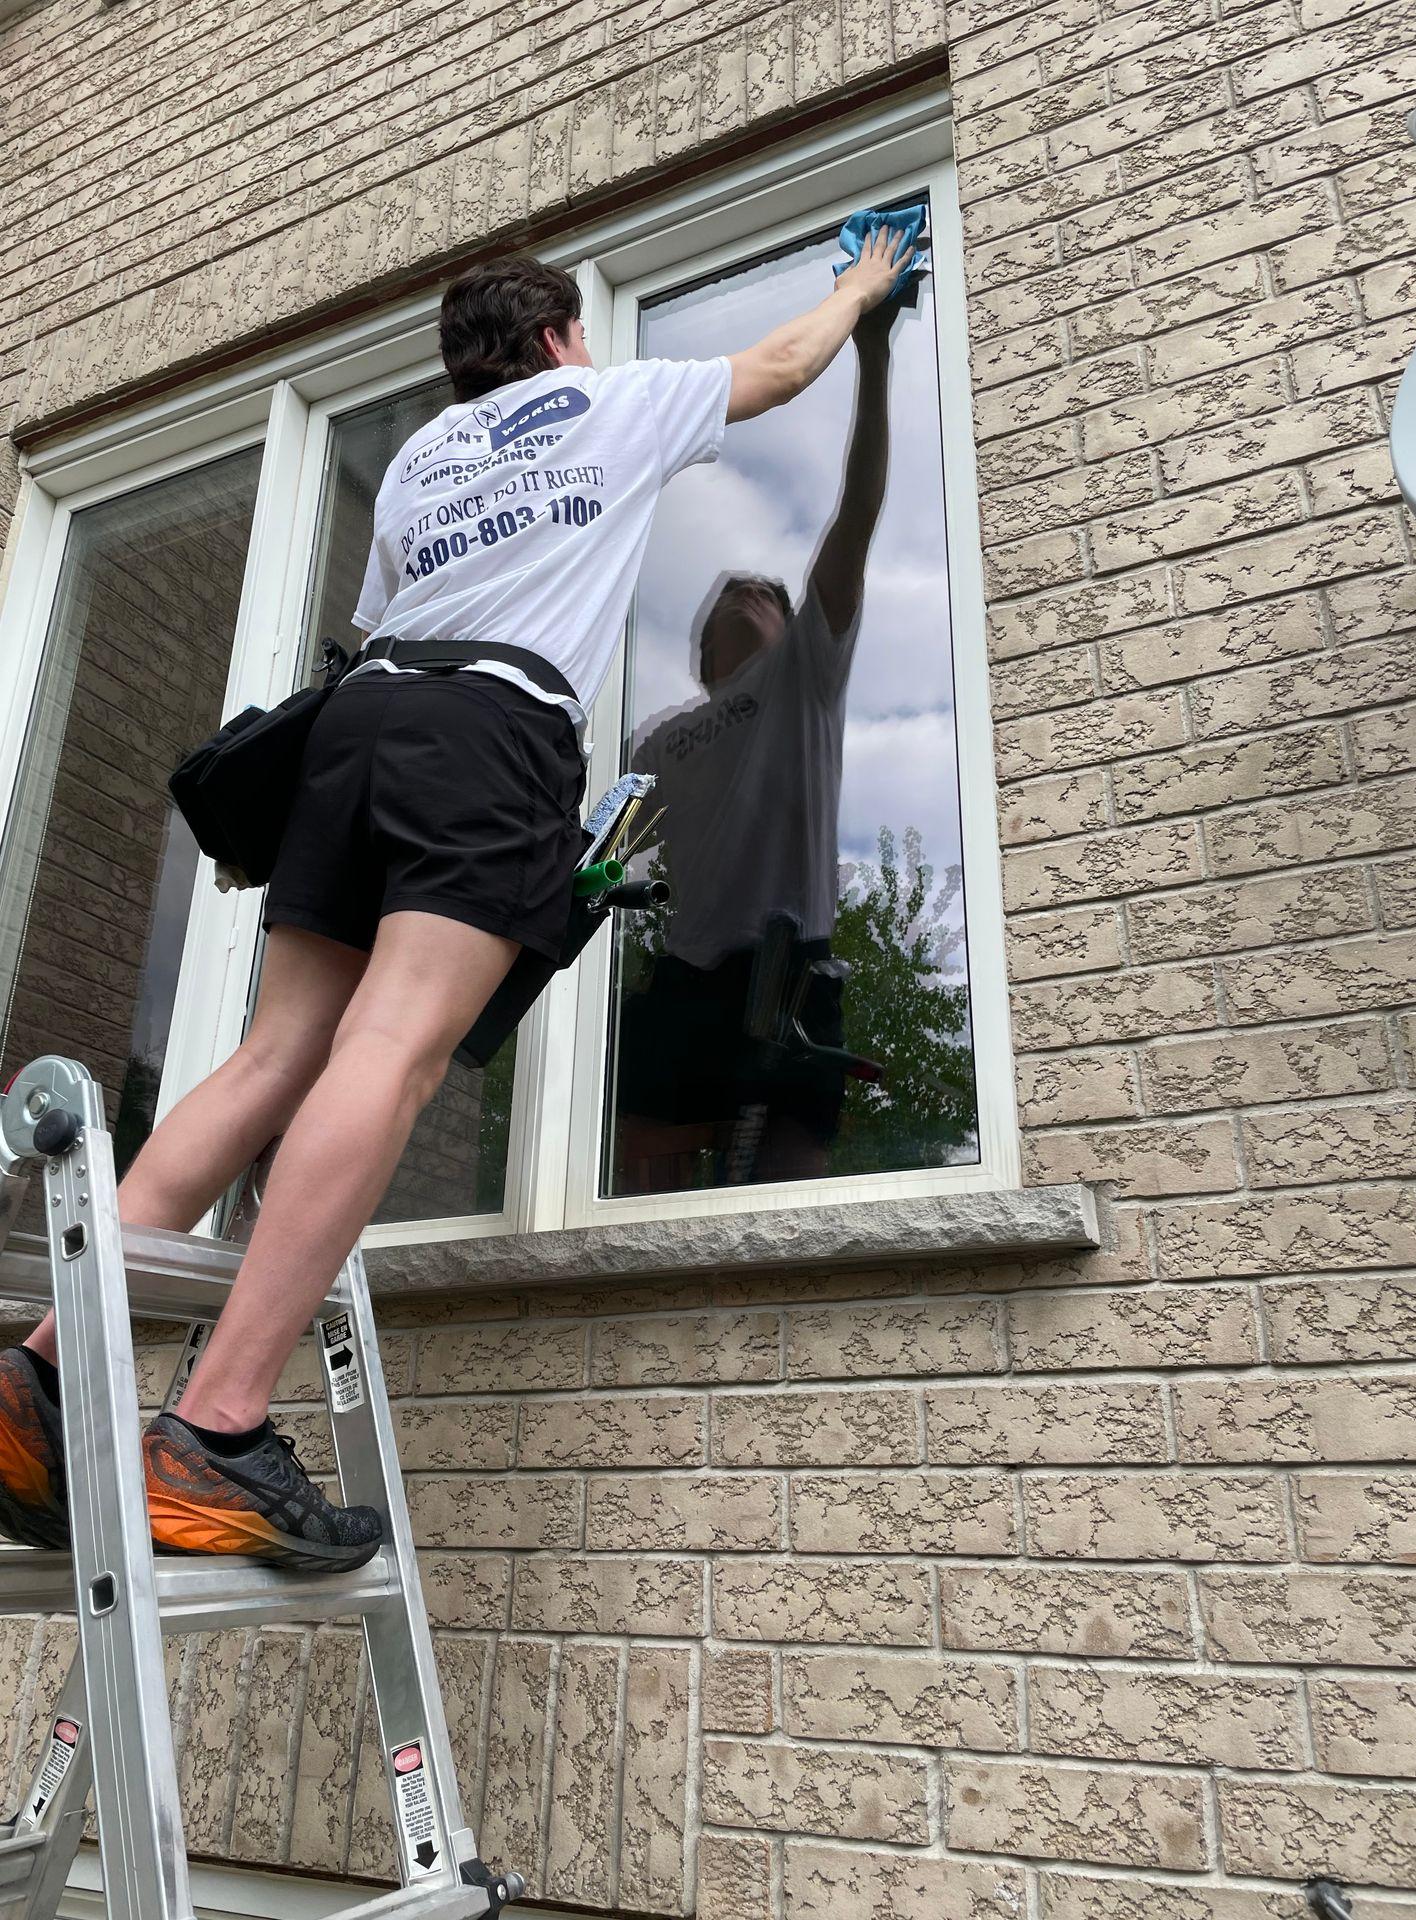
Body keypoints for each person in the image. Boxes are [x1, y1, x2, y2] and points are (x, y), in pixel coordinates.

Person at [0, 227, 915, 1573]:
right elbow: (779, 368)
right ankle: (214, 1429)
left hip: (358, 730)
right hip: (491, 733)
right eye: (581, 337)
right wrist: (863, 289)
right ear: (555, 337)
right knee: (392, 1051)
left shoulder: (429, 456)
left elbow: (380, 629)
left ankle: (36, 1380)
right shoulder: (606, 398)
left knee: (273, 1055)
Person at [617, 292, 903, 1190]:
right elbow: (605, 849)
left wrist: (876, 356)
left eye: (768, 596)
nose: (746, 591)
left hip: (793, 971)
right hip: (686, 977)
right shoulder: (657, 739)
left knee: (789, 1189)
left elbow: (856, 513)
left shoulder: (801, 682)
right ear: (703, 659)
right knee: (632, 1175)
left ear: (793, 631)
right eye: (728, 600)